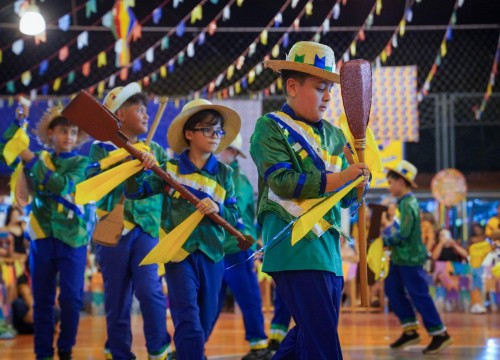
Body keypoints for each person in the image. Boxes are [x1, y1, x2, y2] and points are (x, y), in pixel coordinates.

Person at [249, 41, 370, 359]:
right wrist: (344, 178)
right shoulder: (270, 128)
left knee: (310, 334)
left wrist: (358, 186)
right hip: (294, 246)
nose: (329, 97)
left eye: (330, 88)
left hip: (328, 250)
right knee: (322, 344)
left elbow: (345, 202)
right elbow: (283, 182)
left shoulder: (334, 135)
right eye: (320, 88)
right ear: (292, 85)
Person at [129, 98, 240, 360]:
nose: (215, 135)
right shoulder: (168, 170)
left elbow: (234, 217)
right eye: (208, 129)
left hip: (213, 254)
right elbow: (134, 192)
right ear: (189, 134)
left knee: (206, 318)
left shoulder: (225, 174)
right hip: (178, 254)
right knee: (186, 316)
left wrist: (219, 209)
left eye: (219, 130)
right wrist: (138, 166)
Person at [87, 82, 172, 360]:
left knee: (150, 291)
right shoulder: (101, 150)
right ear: (120, 115)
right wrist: (129, 156)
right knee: (117, 297)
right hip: (113, 231)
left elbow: (166, 187)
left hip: (147, 231)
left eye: (147, 110)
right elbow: (89, 181)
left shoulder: (156, 151)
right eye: (139, 109)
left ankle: (158, 349)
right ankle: (119, 353)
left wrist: (157, 170)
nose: (146, 115)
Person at [0, 104, 90, 359]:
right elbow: (6, 150)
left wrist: (29, 158)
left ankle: (65, 348)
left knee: (72, 300)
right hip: (40, 236)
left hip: (74, 238)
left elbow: (62, 186)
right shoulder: (39, 158)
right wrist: (18, 125)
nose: (68, 137)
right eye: (63, 131)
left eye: (73, 132)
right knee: (42, 301)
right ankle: (43, 354)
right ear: (50, 133)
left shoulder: (82, 163)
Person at [382, 160, 452, 355]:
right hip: (399, 257)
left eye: (390, 182)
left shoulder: (409, 204)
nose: (389, 186)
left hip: (410, 258)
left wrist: (385, 240)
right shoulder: (403, 203)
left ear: (401, 182)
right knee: (392, 289)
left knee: (419, 294)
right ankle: (410, 329)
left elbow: (403, 233)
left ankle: (440, 333)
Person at [216, 134, 273, 360]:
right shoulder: (223, 177)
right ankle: (193, 345)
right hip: (222, 248)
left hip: (238, 247)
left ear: (232, 152)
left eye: (223, 149)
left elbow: (234, 215)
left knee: (248, 296)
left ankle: (259, 345)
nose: (218, 153)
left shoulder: (236, 180)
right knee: (212, 301)